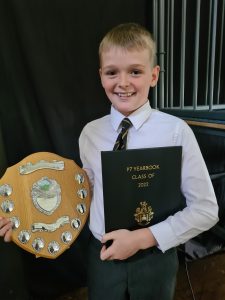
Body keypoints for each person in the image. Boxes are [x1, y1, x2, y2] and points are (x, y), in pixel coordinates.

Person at [0, 23, 219, 300]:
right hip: (101, 255)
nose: (123, 83)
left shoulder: (176, 132)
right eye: (112, 72)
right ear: (101, 75)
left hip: (156, 256)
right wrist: (22, 219)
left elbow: (207, 210)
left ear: (154, 76)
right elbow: (79, 194)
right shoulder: (90, 134)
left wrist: (142, 238)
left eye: (135, 72)